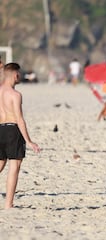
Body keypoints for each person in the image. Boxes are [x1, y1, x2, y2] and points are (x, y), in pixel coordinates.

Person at [0, 63, 40, 209]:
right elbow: (19, 119)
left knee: (0, 163)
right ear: (15, 75)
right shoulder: (15, 95)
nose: (20, 76)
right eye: (19, 74)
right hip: (12, 130)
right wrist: (29, 141)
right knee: (14, 167)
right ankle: (8, 204)